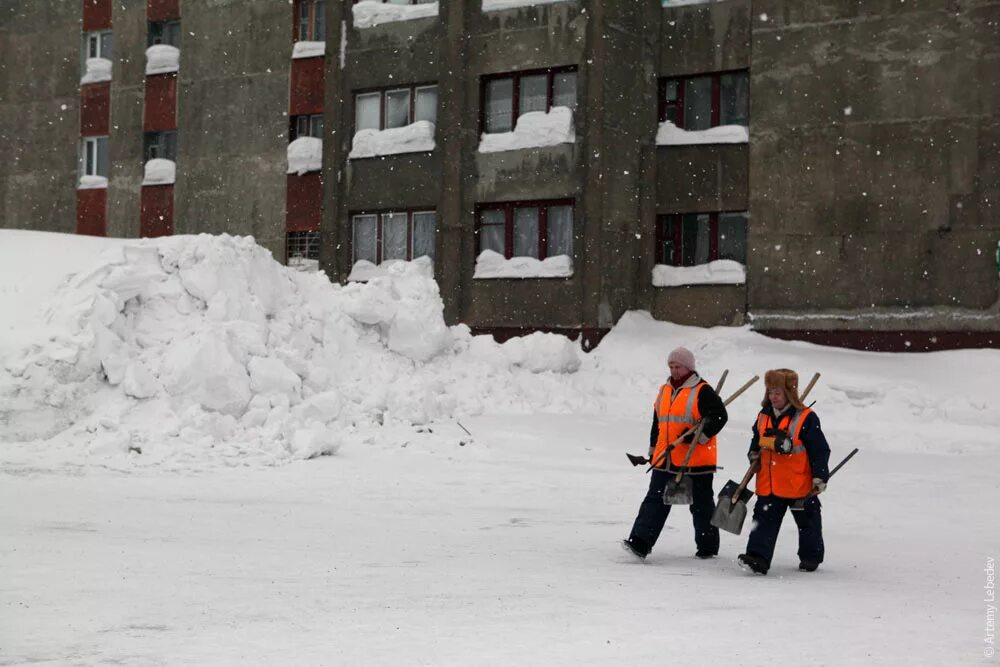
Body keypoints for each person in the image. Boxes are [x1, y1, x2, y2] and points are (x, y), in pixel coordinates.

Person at [623, 346, 728, 560]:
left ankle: (707, 547)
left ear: (688, 367)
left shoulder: (702, 390)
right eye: (671, 366)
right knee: (655, 500)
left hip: (696, 460)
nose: (673, 371)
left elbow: (719, 416)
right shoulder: (665, 390)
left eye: (677, 366)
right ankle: (640, 542)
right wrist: (653, 449)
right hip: (666, 457)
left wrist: (699, 435)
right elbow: (658, 422)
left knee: (701, 506)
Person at [738, 368, 831, 575]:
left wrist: (820, 476)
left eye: (777, 393)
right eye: (770, 392)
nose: (773, 397)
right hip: (769, 482)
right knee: (763, 520)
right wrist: (753, 453)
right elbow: (756, 439)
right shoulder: (763, 416)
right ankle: (757, 558)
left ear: (789, 393)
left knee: (808, 522)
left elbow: (820, 449)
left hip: (798, 483)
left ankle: (810, 557)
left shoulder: (806, 417)